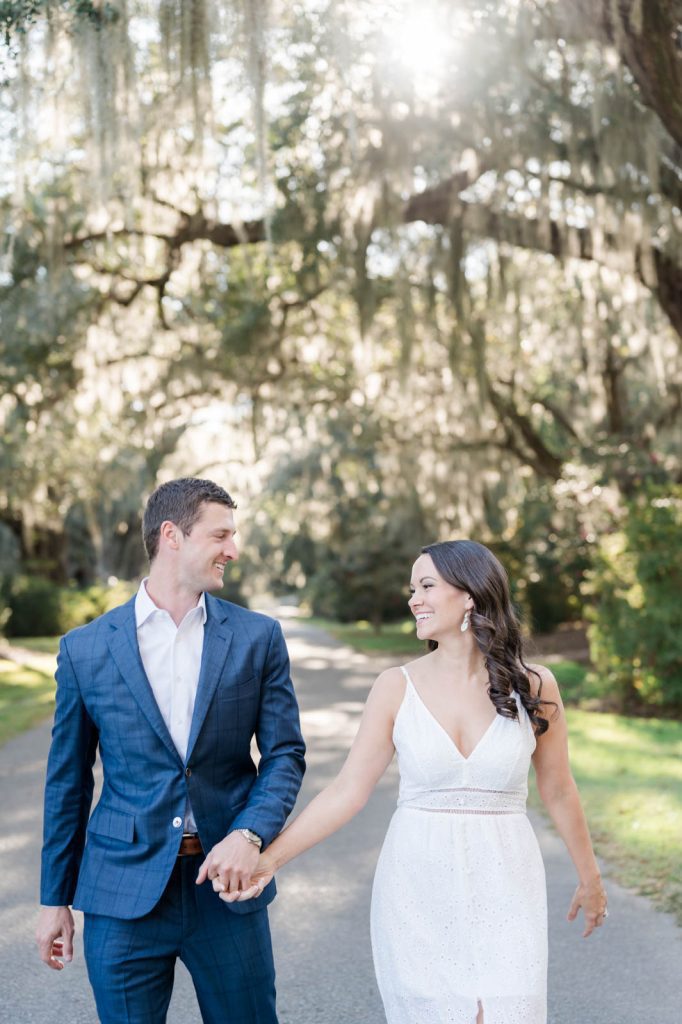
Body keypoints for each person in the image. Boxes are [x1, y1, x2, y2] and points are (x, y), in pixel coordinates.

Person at [224, 539, 608, 1024]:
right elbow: (347, 791)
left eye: (427, 585)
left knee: (511, 1010)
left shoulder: (534, 685)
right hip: (417, 885)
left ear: (470, 594)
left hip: (508, 883)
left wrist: (591, 879)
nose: (413, 600)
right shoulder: (395, 686)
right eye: (412, 588)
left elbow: (558, 788)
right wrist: (268, 861)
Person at [36, 477, 306, 1024]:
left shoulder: (258, 637)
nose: (233, 550)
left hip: (228, 889)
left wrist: (248, 833)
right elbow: (68, 780)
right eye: (221, 535)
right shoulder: (85, 649)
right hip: (121, 892)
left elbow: (285, 755)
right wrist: (53, 899)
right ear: (172, 536)